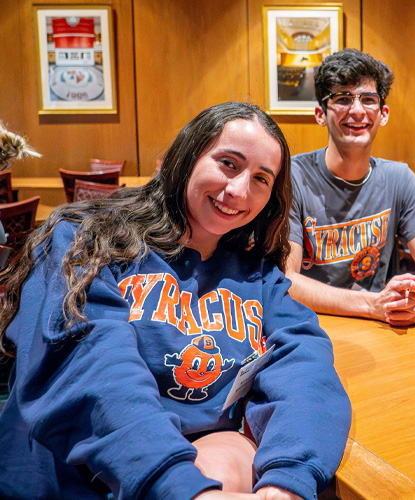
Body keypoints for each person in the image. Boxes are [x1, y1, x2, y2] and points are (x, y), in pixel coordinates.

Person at [0, 102, 351, 500]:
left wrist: (287, 479)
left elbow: (307, 367)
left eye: (260, 179)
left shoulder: (259, 276)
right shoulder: (83, 239)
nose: (238, 190)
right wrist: (181, 487)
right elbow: (94, 372)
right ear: (187, 157)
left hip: (191, 474)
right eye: (228, 164)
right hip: (73, 479)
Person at [286, 48, 415, 327]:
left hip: (382, 326)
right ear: (320, 114)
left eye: (368, 100)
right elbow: (287, 279)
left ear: (383, 114)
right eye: (342, 99)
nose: (358, 110)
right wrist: (371, 305)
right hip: (313, 326)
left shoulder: (399, 178)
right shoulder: (293, 178)